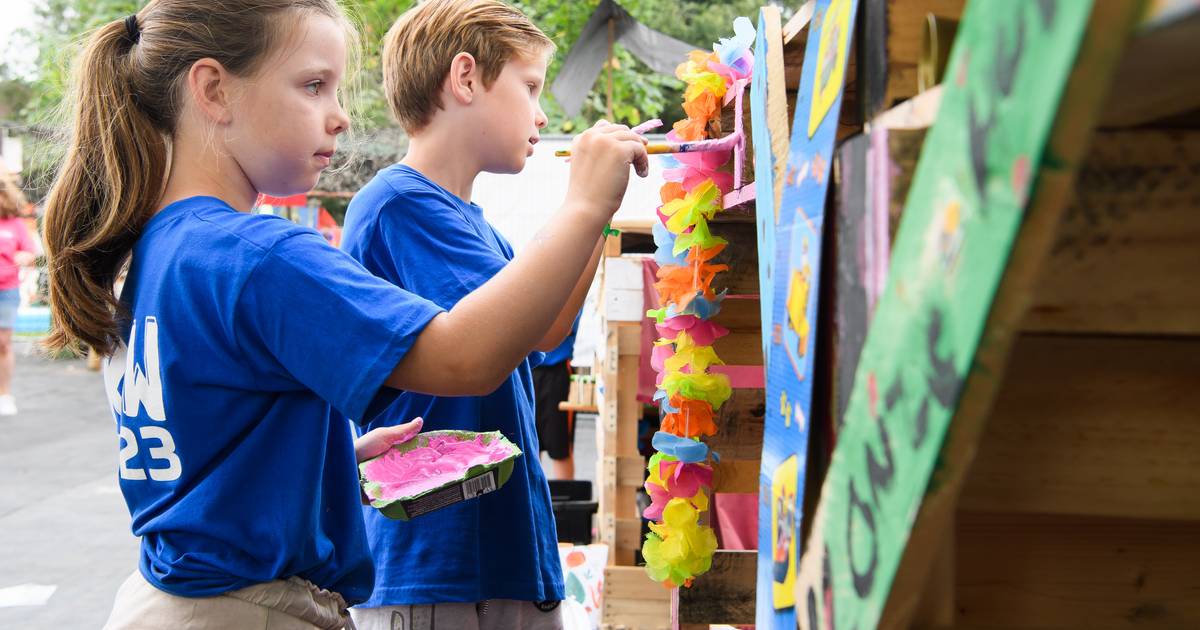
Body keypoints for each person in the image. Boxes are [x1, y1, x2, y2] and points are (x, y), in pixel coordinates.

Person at [40, 2, 647, 628]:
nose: (340, 115)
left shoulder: (162, 248)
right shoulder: (260, 255)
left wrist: (325, 461)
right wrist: (584, 206)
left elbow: (207, 448)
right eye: (312, 85)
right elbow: (467, 357)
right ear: (214, 90)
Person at [339, 2, 620, 628]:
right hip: (440, 569)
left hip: (497, 561)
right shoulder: (401, 204)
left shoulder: (473, 223)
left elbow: (541, 338)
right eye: (529, 87)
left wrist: (598, 213)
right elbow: (510, 340)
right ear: (465, 78)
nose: (543, 115)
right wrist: (584, 203)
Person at [0, 177, 37, 415]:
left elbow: (30, 252)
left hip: (7, 290)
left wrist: (24, 257)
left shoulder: (14, 224)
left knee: (2, 344)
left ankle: (4, 394)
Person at [535, 314, 580, 480]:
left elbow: (561, 329)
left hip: (556, 370)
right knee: (529, 444)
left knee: (560, 446)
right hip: (527, 368)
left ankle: (564, 503)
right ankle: (532, 500)